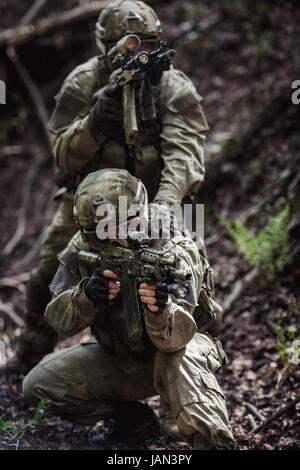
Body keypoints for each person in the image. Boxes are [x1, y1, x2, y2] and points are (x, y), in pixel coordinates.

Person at [1, 0, 209, 376]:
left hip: (158, 201)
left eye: (149, 43)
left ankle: (191, 375)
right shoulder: (83, 83)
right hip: (89, 203)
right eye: (129, 44)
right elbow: (63, 157)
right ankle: (30, 355)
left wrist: (165, 205)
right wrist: (95, 123)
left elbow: (186, 156)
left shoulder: (174, 87)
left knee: (193, 279)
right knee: (48, 272)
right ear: (106, 45)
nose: (140, 53)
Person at [23, 169, 236, 450]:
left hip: (182, 350)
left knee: (177, 360)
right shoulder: (85, 244)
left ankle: (214, 443)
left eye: (124, 225)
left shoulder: (174, 244)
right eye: (103, 231)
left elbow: (176, 339)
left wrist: (159, 308)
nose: (115, 237)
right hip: (126, 356)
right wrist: (86, 295)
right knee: (39, 385)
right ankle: (134, 422)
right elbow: (57, 319)